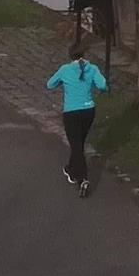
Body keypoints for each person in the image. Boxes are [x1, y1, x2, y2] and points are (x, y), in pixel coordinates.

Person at [47, 45, 110, 193]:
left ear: (70, 56)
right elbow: (102, 85)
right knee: (78, 143)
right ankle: (70, 169)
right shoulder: (92, 68)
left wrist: (63, 82)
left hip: (71, 112)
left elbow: (50, 84)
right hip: (88, 110)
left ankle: (82, 178)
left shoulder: (65, 70)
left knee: (76, 145)